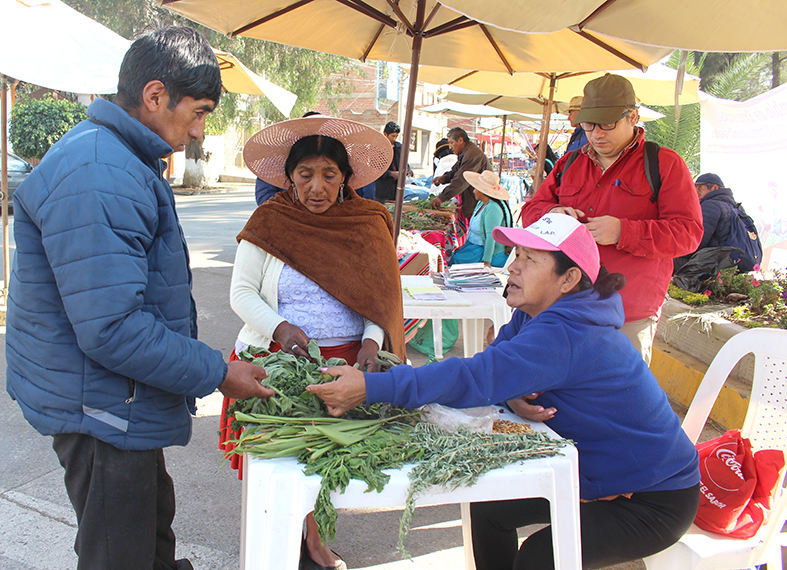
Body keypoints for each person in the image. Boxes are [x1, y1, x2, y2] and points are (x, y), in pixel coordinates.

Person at [5, 26, 270, 570]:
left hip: (116, 398)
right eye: (197, 112)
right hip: (101, 406)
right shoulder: (102, 171)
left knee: (147, 534)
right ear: (154, 96)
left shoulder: (121, 157)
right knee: (118, 551)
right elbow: (113, 328)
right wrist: (218, 371)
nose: (199, 131)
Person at [308, 213, 701, 570]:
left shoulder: (568, 333)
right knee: (490, 509)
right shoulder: (535, 314)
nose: (512, 266)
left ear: (569, 279)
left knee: (539, 558)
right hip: (603, 478)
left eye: (530, 259)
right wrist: (513, 392)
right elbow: (497, 371)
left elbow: (474, 377)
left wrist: (372, 387)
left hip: (653, 496)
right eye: (517, 254)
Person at [219, 114, 407, 570]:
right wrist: (280, 329)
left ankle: (316, 542)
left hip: (346, 363)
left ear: (345, 179)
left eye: (329, 175)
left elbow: (379, 294)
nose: (317, 187)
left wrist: (370, 339)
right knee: (281, 463)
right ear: (289, 177)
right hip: (276, 360)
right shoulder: (270, 220)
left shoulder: (367, 222)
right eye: (306, 175)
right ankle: (272, 540)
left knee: (329, 461)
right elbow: (241, 292)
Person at [521, 74, 703, 364]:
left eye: (607, 124)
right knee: (556, 395)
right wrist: (551, 214)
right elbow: (530, 211)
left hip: (627, 312)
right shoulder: (570, 163)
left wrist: (623, 232)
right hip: (563, 304)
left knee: (617, 399)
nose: (596, 134)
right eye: (589, 125)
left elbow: (688, 234)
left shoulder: (665, 164)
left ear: (633, 116)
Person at [674, 173, 761, 273]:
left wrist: (676, 253)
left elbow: (698, 241)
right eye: (695, 188)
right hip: (732, 263)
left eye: (700, 188)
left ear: (715, 187)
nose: (696, 192)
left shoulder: (710, 205)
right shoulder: (737, 207)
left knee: (666, 260)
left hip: (712, 264)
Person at [449, 170, 513, 267]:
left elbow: (491, 237)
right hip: (475, 247)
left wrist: (486, 261)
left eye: (476, 188)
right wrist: (464, 246)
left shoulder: (493, 208)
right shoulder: (482, 203)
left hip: (489, 252)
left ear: (483, 192)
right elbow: (471, 231)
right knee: (455, 255)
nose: (474, 191)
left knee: (456, 261)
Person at [431, 127, 492, 218]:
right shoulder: (466, 152)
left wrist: (442, 197)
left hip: (480, 201)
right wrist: (443, 178)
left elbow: (461, 179)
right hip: (475, 200)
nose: (450, 147)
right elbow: (456, 170)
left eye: (452, 143)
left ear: (460, 140)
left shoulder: (472, 154)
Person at [374, 120, 412, 202]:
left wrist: (408, 169)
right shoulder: (378, 148)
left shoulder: (399, 147)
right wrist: (390, 173)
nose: (394, 139)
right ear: (385, 134)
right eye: (392, 136)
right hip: (383, 189)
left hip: (397, 188)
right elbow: (375, 169)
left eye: (396, 136)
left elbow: (404, 162)